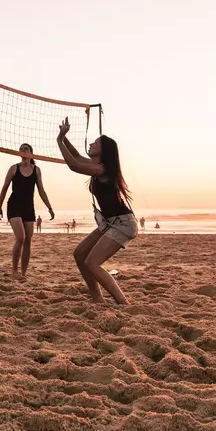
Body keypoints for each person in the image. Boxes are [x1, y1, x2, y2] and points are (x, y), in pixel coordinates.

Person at [57, 118, 136, 304]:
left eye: (96, 142)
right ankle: (97, 299)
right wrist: (65, 137)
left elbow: (74, 165)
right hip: (110, 222)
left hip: (123, 223)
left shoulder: (103, 169)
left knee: (91, 263)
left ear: (104, 151)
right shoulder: (97, 167)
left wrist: (59, 141)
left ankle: (123, 303)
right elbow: (76, 157)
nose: (91, 144)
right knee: (79, 254)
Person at [0, 143, 55, 278]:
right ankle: (15, 271)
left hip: (29, 207)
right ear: (19, 153)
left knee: (28, 239)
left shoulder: (37, 170)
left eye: (26, 149)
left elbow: (41, 190)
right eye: (21, 149)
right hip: (14, 205)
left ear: (31, 153)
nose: (23, 150)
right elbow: (4, 188)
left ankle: (23, 273)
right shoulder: (14, 168)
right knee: (21, 237)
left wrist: (49, 207)